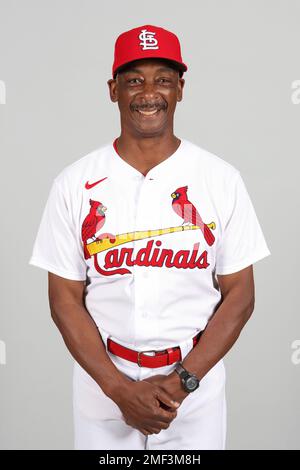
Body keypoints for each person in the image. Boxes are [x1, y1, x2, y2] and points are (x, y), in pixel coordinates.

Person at [29, 24, 271, 450]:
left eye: (162, 79)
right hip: (103, 382)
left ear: (180, 88)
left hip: (194, 384)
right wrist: (119, 391)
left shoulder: (220, 179)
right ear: (113, 89)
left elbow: (241, 295)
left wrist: (182, 382)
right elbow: (63, 299)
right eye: (134, 80)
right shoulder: (74, 183)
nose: (148, 92)